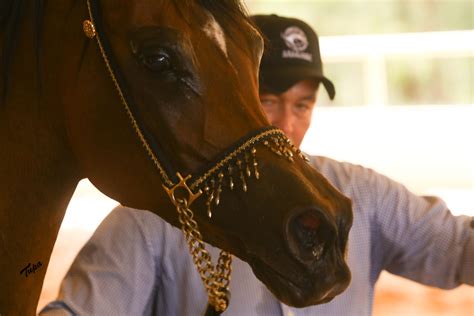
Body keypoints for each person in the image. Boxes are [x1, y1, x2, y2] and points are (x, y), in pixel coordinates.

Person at [40, 14, 473, 316]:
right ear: (239, 101)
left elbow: (455, 249)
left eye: (302, 105)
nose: (287, 124)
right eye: (269, 101)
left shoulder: (361, 195)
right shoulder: (157, 218)